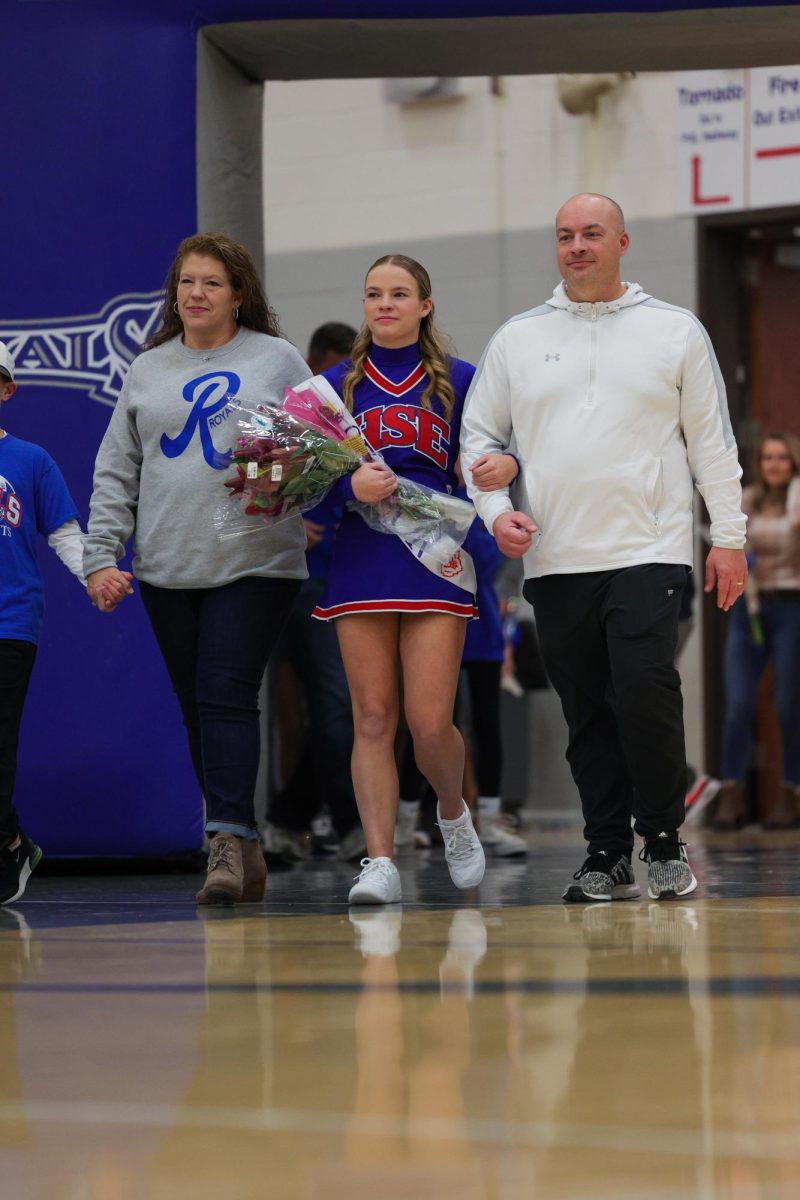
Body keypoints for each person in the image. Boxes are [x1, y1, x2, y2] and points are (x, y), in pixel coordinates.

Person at [461, 192, 748, 903]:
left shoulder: (674, 330)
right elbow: (479, 443)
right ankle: (605, 852)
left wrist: (731, 539)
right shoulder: (518, 339)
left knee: (646, 689)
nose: (577, 246)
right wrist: (497, 513)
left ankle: (660, 839)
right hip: (557, 557)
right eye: (565, 235)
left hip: (650, 548)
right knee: (586, 709)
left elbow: (712, 442)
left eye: (592, 233)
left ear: (623, 242)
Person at [83, 232, 311, 905]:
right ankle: (242, 845)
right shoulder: (149, 368)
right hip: (165, 565)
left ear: (239, 294)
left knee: (224, 695)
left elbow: (321, 444)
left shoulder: (276, 359)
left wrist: (284, 483)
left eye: (211, 283)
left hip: (255, 563)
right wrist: (102, 554)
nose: (195, 294)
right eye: (186, 282)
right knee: (197, 710)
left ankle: (224, 841)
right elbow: (117, 467)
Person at [312, 254, 486, 905]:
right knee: (374, 716)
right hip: (361, 560)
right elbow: (301, 495)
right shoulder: (333, 387)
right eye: (374, 294)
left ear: (424, 305)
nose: (384, 304)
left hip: (434, 558)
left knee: (429, 721)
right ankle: (379, 859)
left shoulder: (462, 381)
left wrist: (499, 470)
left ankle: (450, 810)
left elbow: (495, 454)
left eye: (399, 293)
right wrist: (344, 486)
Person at [0, 341, 104, 903]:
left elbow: (64, 533)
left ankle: (4, 848)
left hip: (8, 620)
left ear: (7, 390)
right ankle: (12, 840)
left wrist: (96, 574)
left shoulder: (31, 460)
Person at [263, 321, 367, 864]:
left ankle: (288, 816)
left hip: (351, 574)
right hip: (305, 580)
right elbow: (255, 477)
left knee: (346, 707)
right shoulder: (304, 403)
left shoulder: (365, 398)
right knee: (333, 705)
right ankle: (352, 826)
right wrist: (284, 518)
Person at [712, 432, 800, 830]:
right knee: (739, 704)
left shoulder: (797, 498)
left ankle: (789, 793)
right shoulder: (748, 498)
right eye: (767, 457)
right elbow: (730, 535)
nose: (775, 464)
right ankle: (731, 794)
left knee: (786, 704)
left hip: (790, 605)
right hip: (749, 609)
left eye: (783, 457)